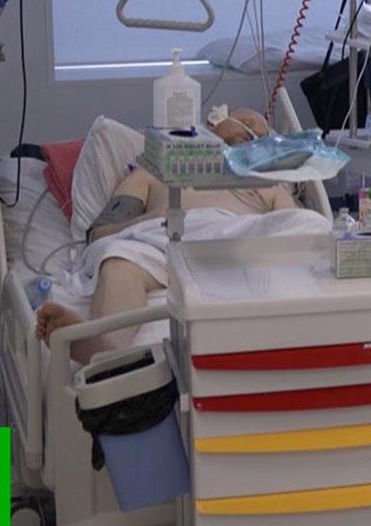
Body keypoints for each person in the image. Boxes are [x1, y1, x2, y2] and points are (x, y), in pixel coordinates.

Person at [34, 107, 300, 363]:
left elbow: (297, 229)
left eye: (262, 135)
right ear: (213, 122)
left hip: (233, 243)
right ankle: (104, 346)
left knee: (311, 223)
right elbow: (101, 233)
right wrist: (153, 218)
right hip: (164, 238)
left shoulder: (268, 184)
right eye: (248, 123)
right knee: (117, 260)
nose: (253, 134)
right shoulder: (155, 169)